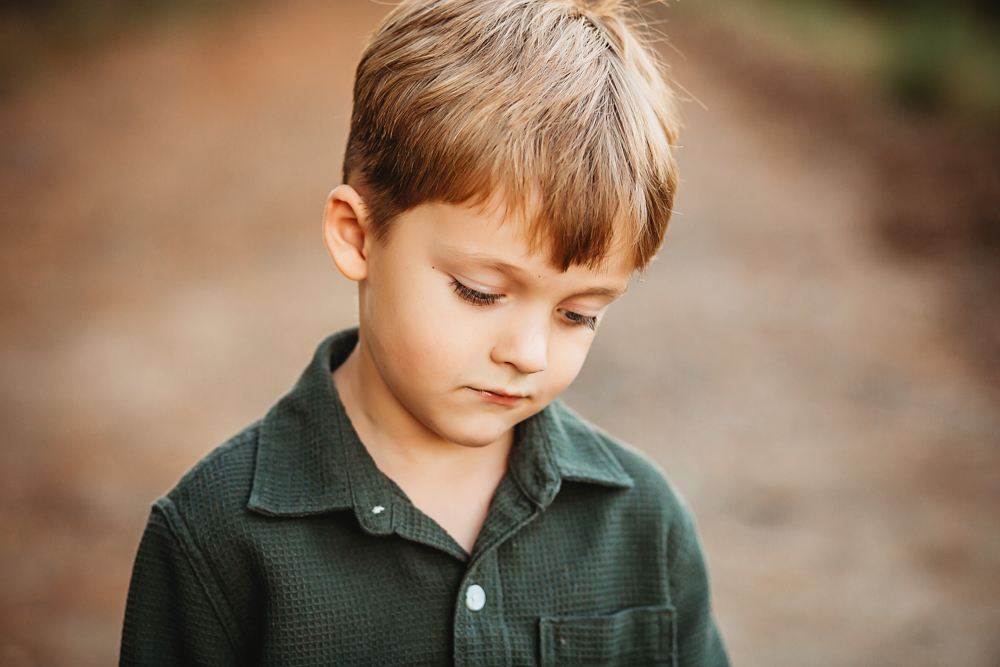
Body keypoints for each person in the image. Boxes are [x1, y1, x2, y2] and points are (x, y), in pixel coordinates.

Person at [120, 0, 730, 664]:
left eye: (579, 313)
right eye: (480, 291)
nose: (527, 354)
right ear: (358, 236)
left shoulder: (645, 525)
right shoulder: (216, 535)